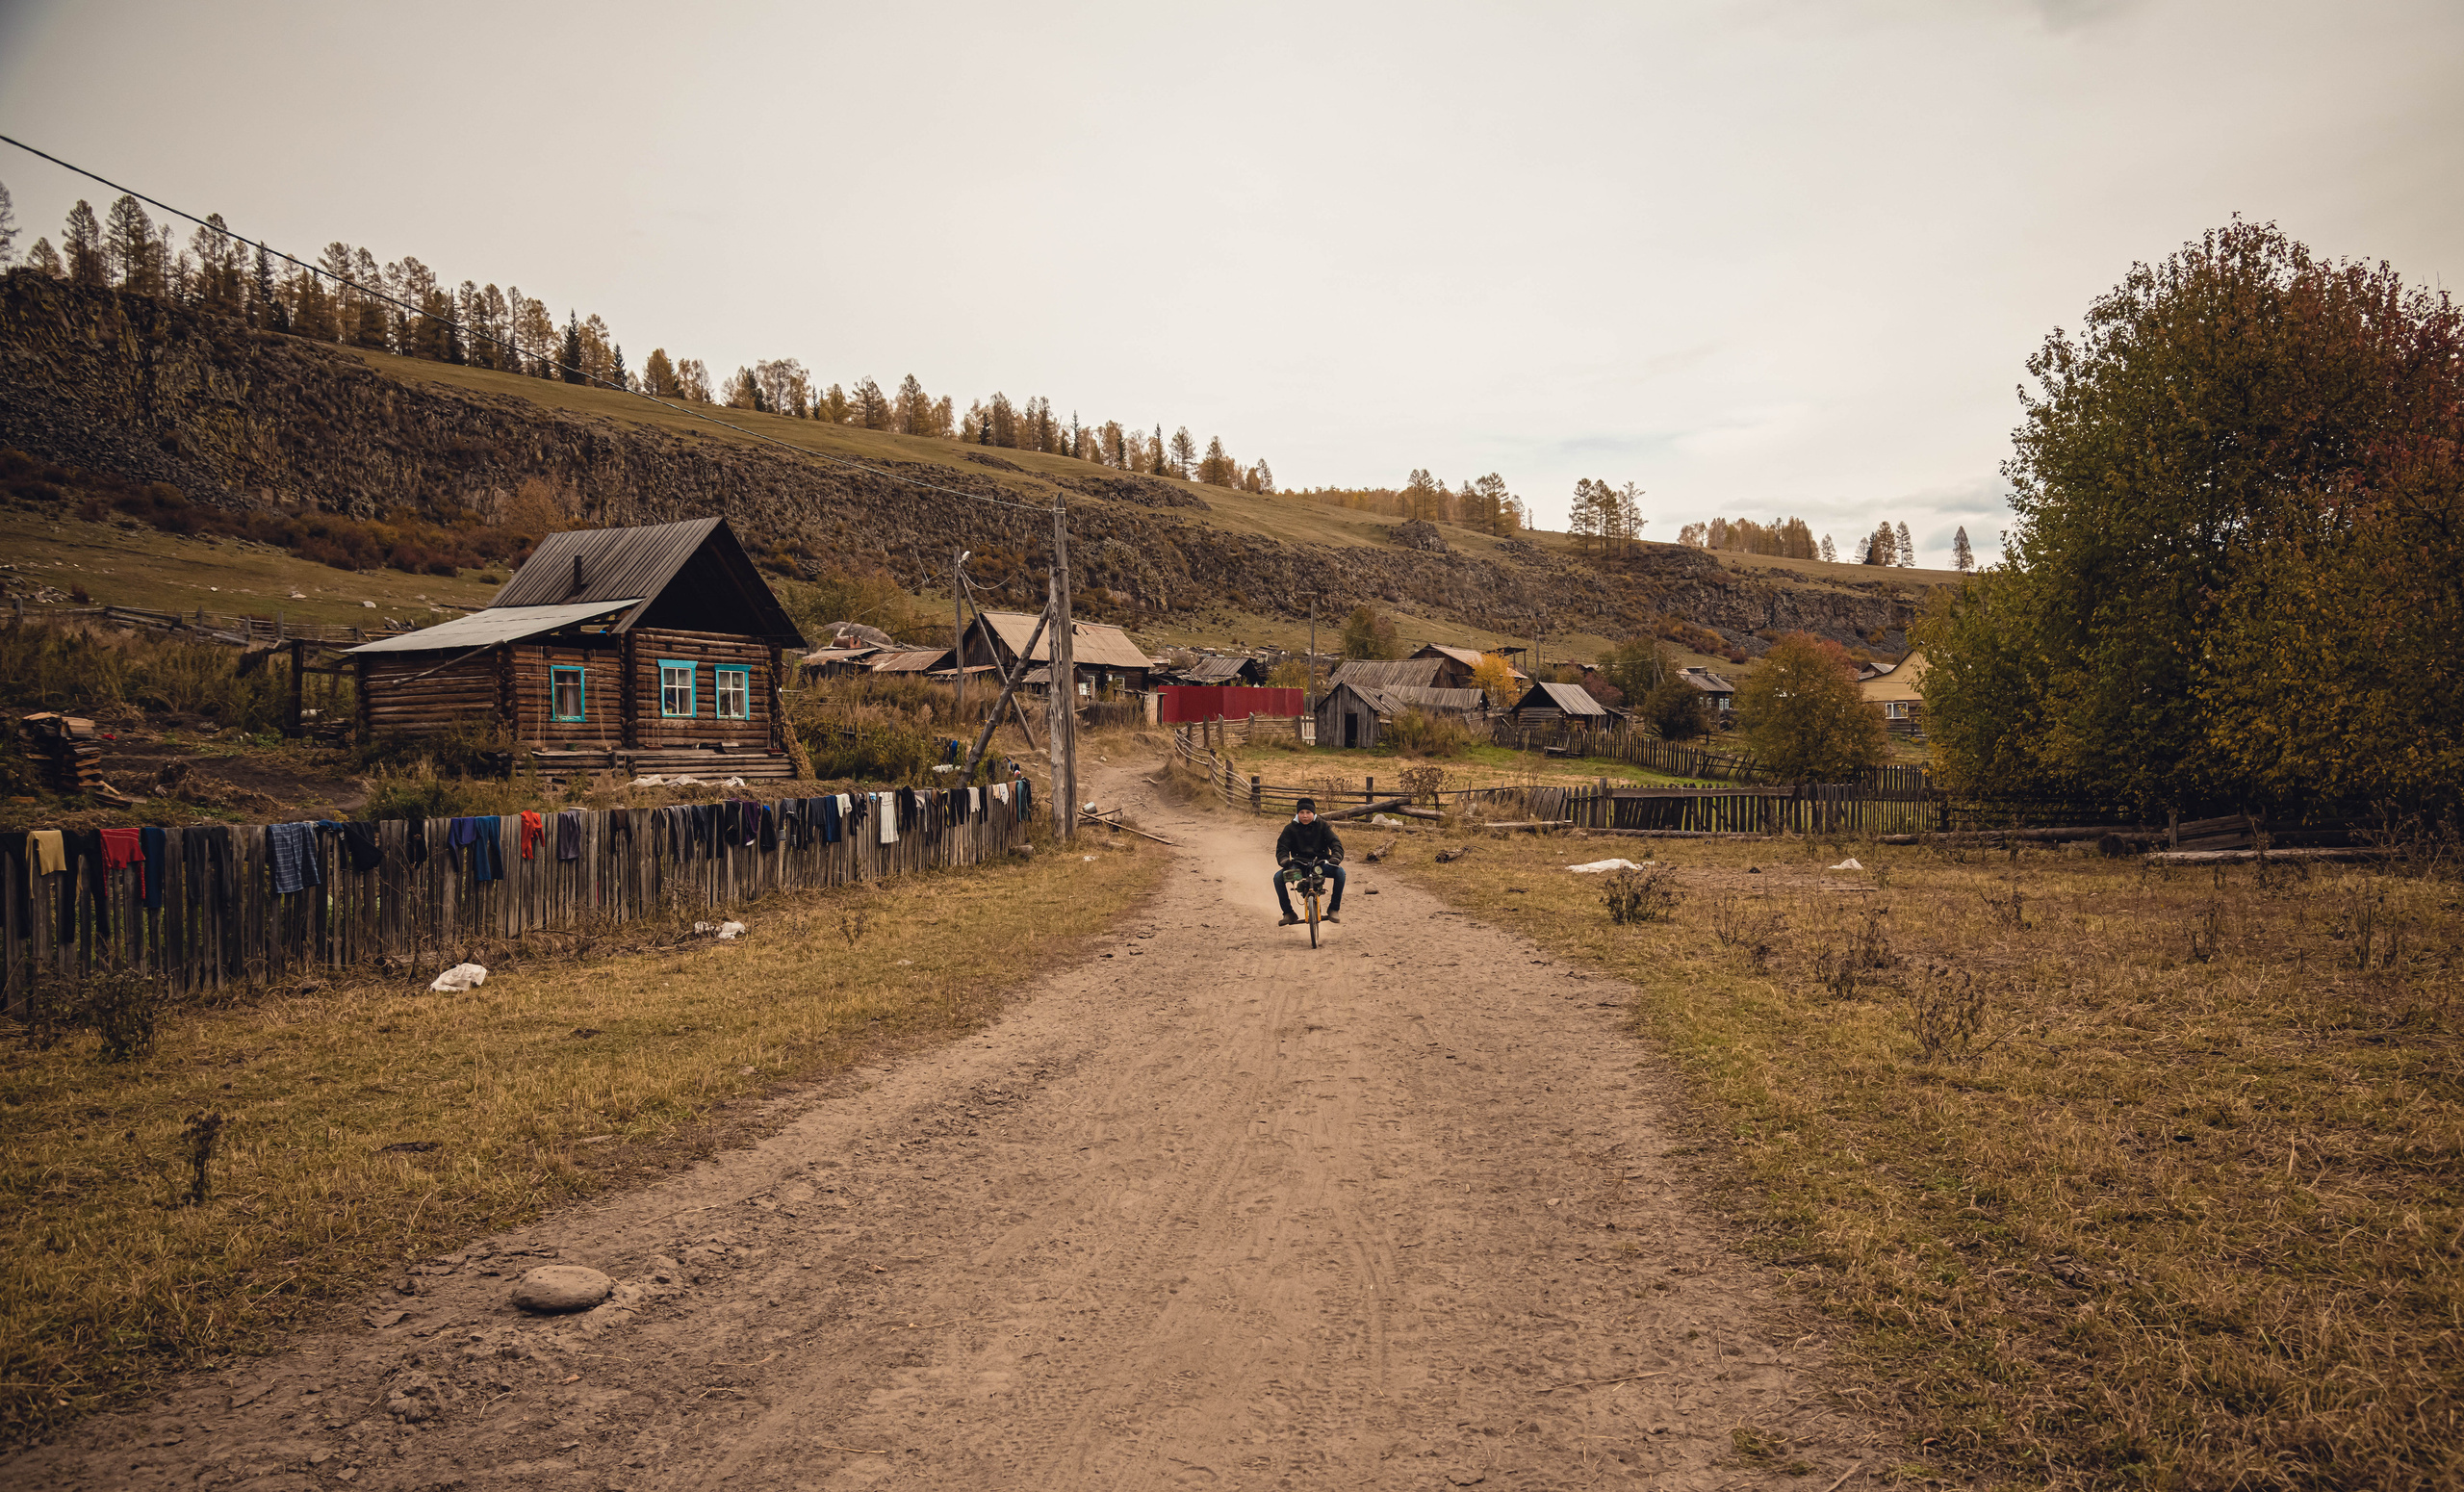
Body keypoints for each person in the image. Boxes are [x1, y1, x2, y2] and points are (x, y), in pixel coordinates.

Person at [1273, 797, 1346, 926]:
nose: (1305, 816)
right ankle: (1288, 913)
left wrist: (1336, 857)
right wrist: (1284, 860)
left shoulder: (1322, 825)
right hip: (1298, 865)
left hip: (1321, 864)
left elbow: (1335, 842)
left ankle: (1334, 908)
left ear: (1313, 813)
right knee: (1278, 878)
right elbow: (1282, 848)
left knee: (1340, 873)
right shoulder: (1290, 829)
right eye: (1301, 813)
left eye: (1308, 812)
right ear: (1297, 814)